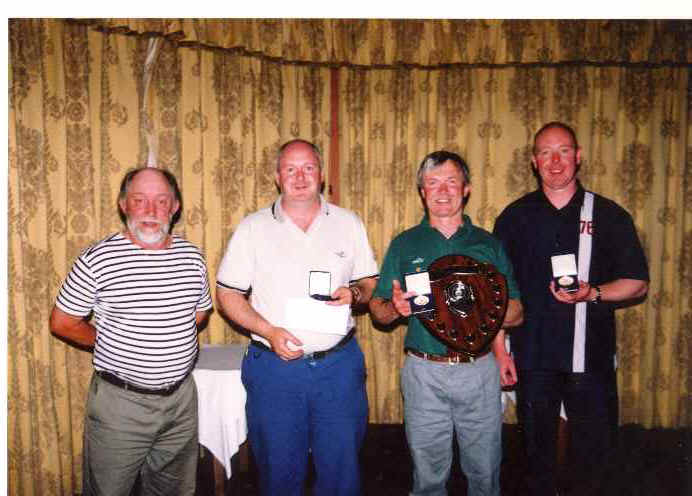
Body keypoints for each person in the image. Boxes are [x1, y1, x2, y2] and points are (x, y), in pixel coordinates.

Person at [493, 121, 649, 496]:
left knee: (594, 465)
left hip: (590, 361)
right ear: (534, 161)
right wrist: (500, 351)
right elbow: (499, 293)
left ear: (578, 157)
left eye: (563, 151)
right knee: (536, 463)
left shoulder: (608, 215)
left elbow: (638, 282)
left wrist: (593, 292)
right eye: (545, 153)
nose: (555, 161)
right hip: (533, 359)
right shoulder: (514, 217)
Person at [215, 139, 378, 496]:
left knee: (341, 471)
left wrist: (355, 294)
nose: (300, 177)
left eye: (308, 168)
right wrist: (268, 331)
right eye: (290, 169)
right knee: (279, 473)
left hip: (338, 369)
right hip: (275, 370)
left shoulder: (348, 223)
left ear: (321, 174)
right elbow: (227, 295)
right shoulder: (253, 227)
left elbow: (369, 283)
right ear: (277, 177)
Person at [49, 168, 213, 496]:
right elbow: (62, 322)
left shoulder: (192, 257)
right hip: (120, 406)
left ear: (175, 206)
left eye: (161, 201)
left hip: (180, 401)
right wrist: (110, 342)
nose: (150, 210)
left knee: (175, 491)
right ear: (124, 204)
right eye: (139, 200)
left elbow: (199, 314)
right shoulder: (97, 259)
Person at [369, 150, 524, 496]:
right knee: (427, 475)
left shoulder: (488, 244)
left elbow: (517, 312)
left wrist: (484, 304)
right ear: (422, 191)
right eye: (433, 183)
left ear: (466, 189)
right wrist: (395, 308)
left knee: (485, 472)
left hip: (478, 370)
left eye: (451, 181)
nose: (442, 191)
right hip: (424, 372)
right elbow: (378, 310)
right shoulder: (405, 244)